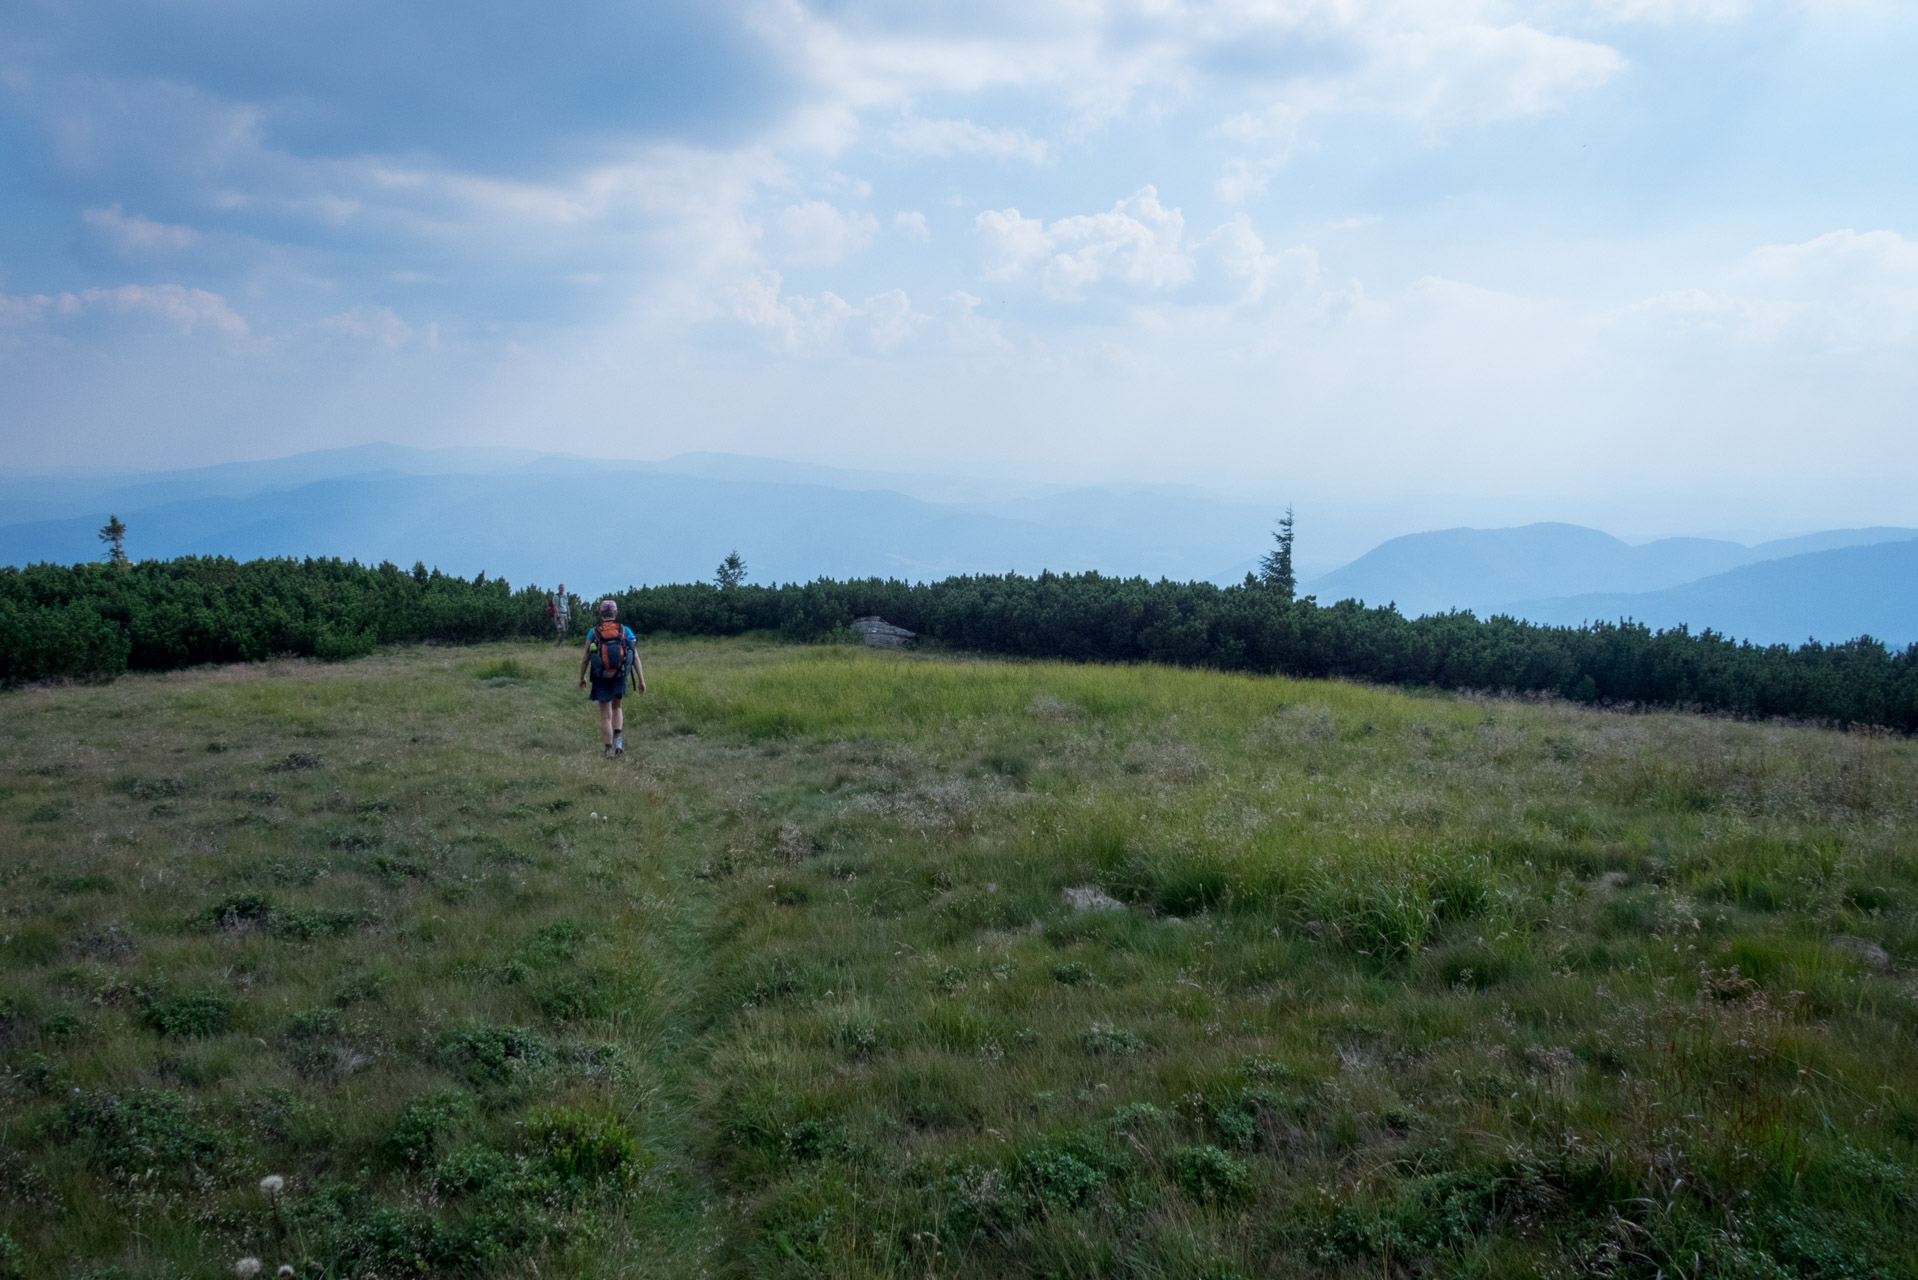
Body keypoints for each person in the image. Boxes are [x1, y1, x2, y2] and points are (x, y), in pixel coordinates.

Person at [578, 599, 644, 758]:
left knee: (605, 714)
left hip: (600, 676)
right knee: (617, 708)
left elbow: (585, 658)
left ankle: (608, 749)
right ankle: (619, 743)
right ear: (615, 613)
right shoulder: (625, 630)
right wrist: (641, 680)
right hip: (620, 675)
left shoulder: (593, 632)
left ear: (601, 613)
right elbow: (635, 657)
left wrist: (582, 677)